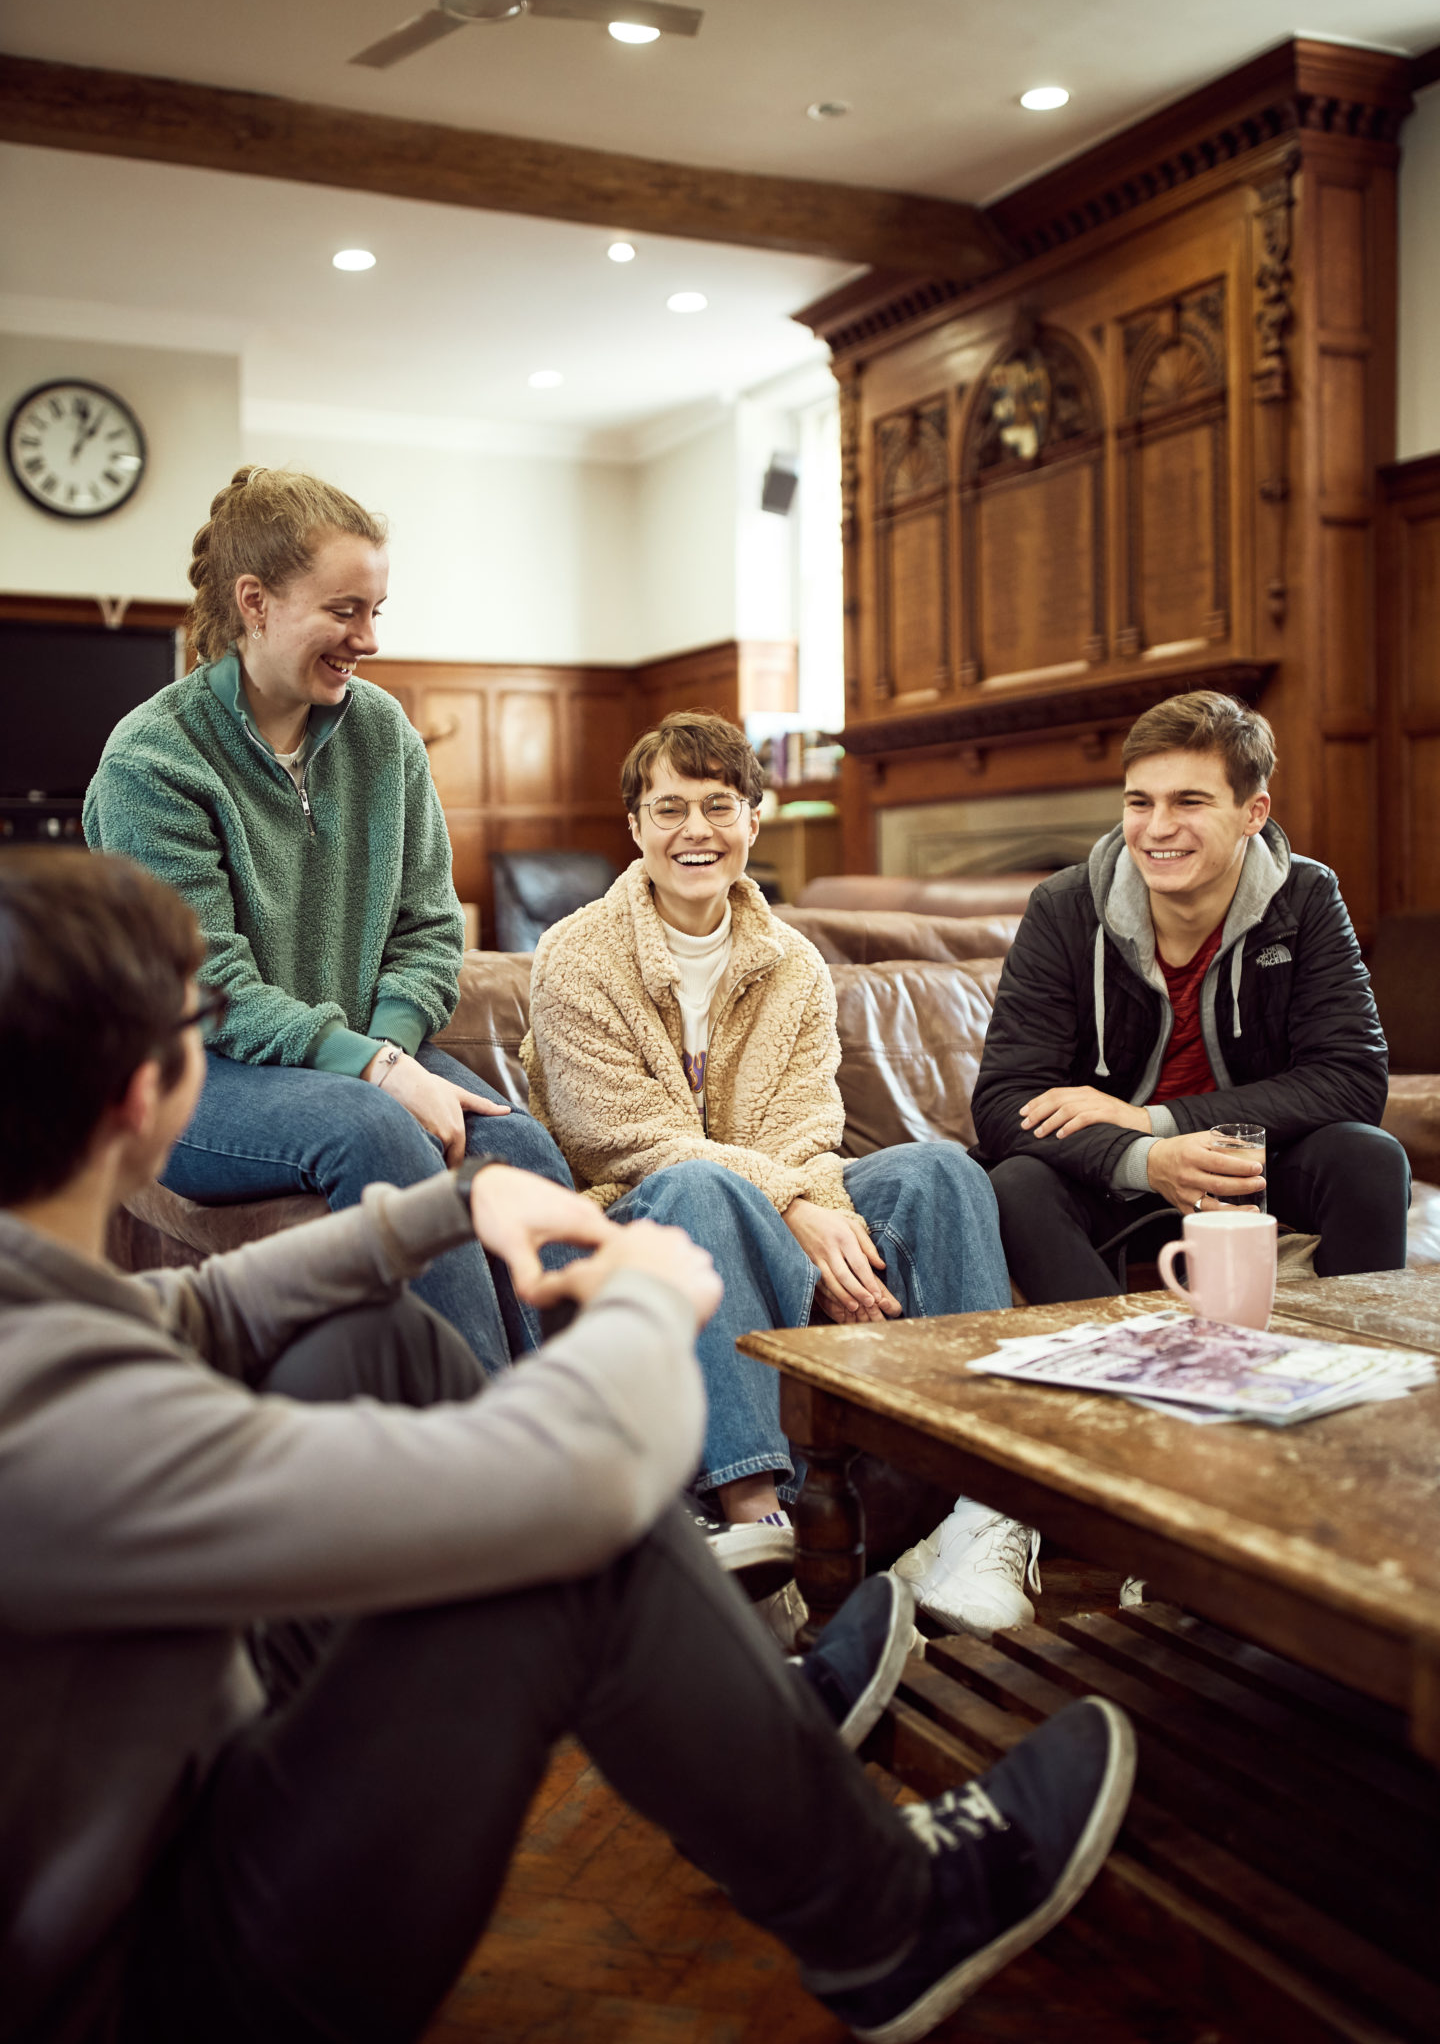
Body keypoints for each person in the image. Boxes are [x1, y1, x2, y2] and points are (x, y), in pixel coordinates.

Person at [0, 847, 1137, 2044]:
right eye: (204, 1019)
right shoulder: (56, 1415)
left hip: (164, 1810)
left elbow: (203, 1314)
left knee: (369, 1347)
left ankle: (751, 1723)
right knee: (558, 1553)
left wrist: (444, 1208)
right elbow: (575, 1478)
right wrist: (648, 1297)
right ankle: (889, 1916)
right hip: (168, 1980)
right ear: (144, 1094)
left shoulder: (36, 1306)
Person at [522, 711, 1042, 1641]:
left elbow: (807, 1123)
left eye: (718, 805)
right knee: (700, 1186)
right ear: (636, 827)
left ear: (753, 820)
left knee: (944, 1169)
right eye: (669, 808)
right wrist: (798, 1202)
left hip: (783, 1193)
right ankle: (762, 1521)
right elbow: (623, 1139)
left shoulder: (794, 962)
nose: (695, 831)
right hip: (637, 1210)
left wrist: (813, 1197)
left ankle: (984, 1508)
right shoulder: (574, 954)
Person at [83, 465, 573, 1373]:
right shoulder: (151, 761)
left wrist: (384, 1047)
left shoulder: (381, 733)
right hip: (201, 1078)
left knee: (521, 1146)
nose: (371, 638)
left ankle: (594, 1439)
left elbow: (429, 929)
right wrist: (381, 1073)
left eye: (378, 609)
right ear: (255, 602)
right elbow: (209, 987)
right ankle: (486, 1471)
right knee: (375, 1130)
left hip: (351, 1055)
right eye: (346, 610)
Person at [973, 690, 1410, 1301]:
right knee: (1014, 1182)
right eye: (1140, 802)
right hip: (1111, 1182)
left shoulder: (1305, 897)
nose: (1157, 829)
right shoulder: (1065, 908)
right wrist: (1147, 1156)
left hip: (1251, 1172)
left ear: (1253, 812)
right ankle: (1111, 1371)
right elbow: (1004, 1100)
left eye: (1189, 802)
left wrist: (1155, 1119)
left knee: (1368, 1156)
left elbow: (1352, 1078)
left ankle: (1360, 1364)